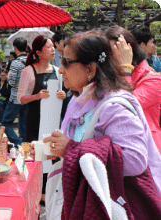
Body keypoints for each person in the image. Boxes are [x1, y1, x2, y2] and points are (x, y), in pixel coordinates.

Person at [33, 30, 161, 219]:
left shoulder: (115, 106)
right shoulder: (78, 100)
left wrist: (71, 149)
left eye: (67, 62)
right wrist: (59, 147)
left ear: (91, 70)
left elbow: (135, 160)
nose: (60, 69)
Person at [17, 35, 65, 206]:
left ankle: (52, 190)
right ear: (38, 52)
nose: (53, 49)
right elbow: (20, 98)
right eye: (49, 47)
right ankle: (37, 191)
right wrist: (37, 96)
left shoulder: (57, 70)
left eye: (53, 46)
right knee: (37, 154)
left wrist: (62, 95)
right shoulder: (29, 70)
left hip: (54, 120)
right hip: (35, 120)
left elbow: (63, 93)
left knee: (53, 154)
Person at [104, 25, 161, 154]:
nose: (110, 58)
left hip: (147, 152)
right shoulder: (110, 76)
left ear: (129, 50)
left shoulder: (153, 80)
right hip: (118, 149)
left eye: (115, 51)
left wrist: (125, 69)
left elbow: (125, 106)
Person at [1, 37, 28, 147]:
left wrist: (8, 76)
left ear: (15, 48)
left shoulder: (16, 63)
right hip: (27, 97)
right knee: (23, 124)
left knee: (5, 123)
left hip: (16, 98)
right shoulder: (31, 61)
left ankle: (18, 143)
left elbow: (11, 82)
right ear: (26, 47)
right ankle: (25, 145)